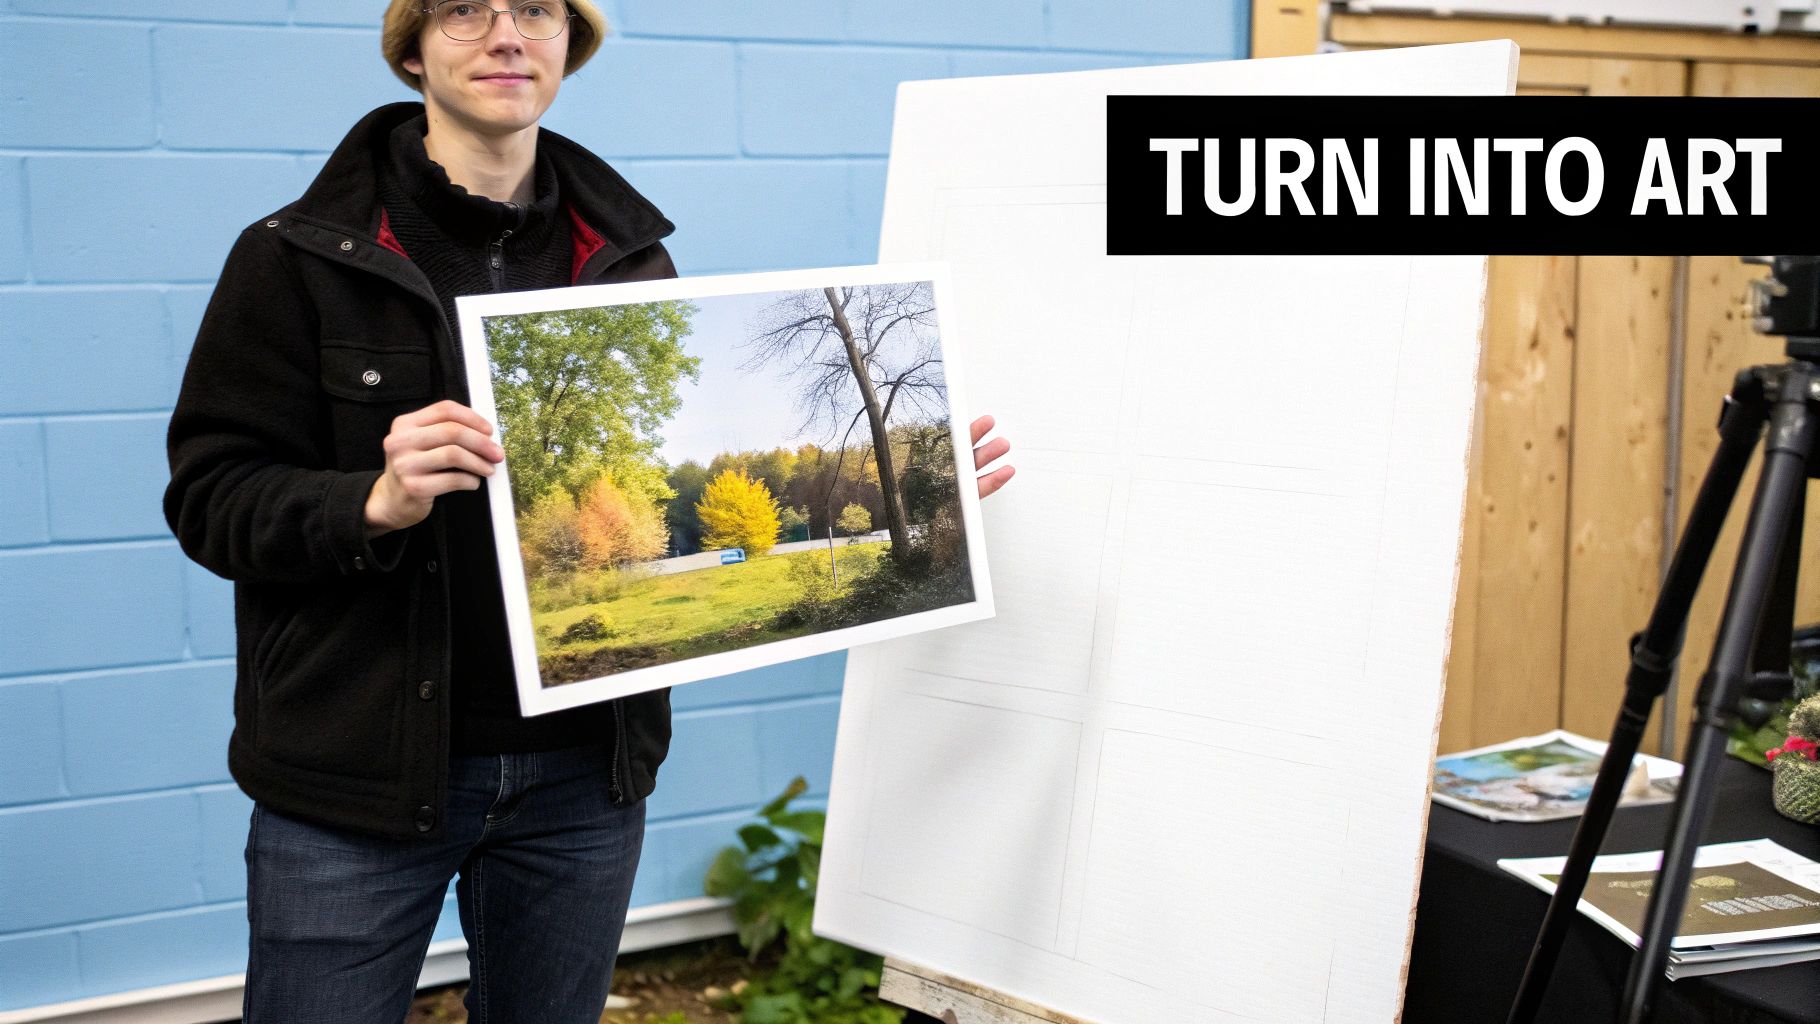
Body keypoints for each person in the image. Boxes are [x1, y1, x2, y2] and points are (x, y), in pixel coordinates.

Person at [161, 2, 1014, 1022]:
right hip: (353, 778)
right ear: (411, 47)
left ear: (571, 39)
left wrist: (918, 483)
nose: (505, 35)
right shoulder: (296, 257)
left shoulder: (627, 258)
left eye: (535, 9)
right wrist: (373, 501)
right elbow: (211, 499)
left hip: (581, 776)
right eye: (464, 10)